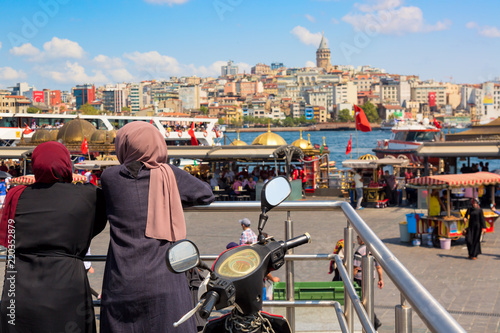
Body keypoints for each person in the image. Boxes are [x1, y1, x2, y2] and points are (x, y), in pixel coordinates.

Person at [99, 122, 215, 332]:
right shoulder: (169, 175)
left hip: (122, 281)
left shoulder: (110, 178)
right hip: (165, 279)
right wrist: (169, 198)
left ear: (124, 146)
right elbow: (206, 193)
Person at [0, 141, 107, 332]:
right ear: (67, 164)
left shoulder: (15, 195)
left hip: (20, 291)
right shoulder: (88, 196)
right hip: (67, 289)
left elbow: (9, 236)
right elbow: (95, 225)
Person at [353, 235, 383, 331]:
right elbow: (378, 267)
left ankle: (374, 321)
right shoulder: (373, 249)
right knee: (367, 299)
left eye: (358, 237)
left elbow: (356, 268)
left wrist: (349, 278)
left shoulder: (359, 251)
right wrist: (380, 279)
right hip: (371, 277)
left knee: (363, 300)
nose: (357, 239)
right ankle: (373, 321)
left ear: (361, 239)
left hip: (360, 278)